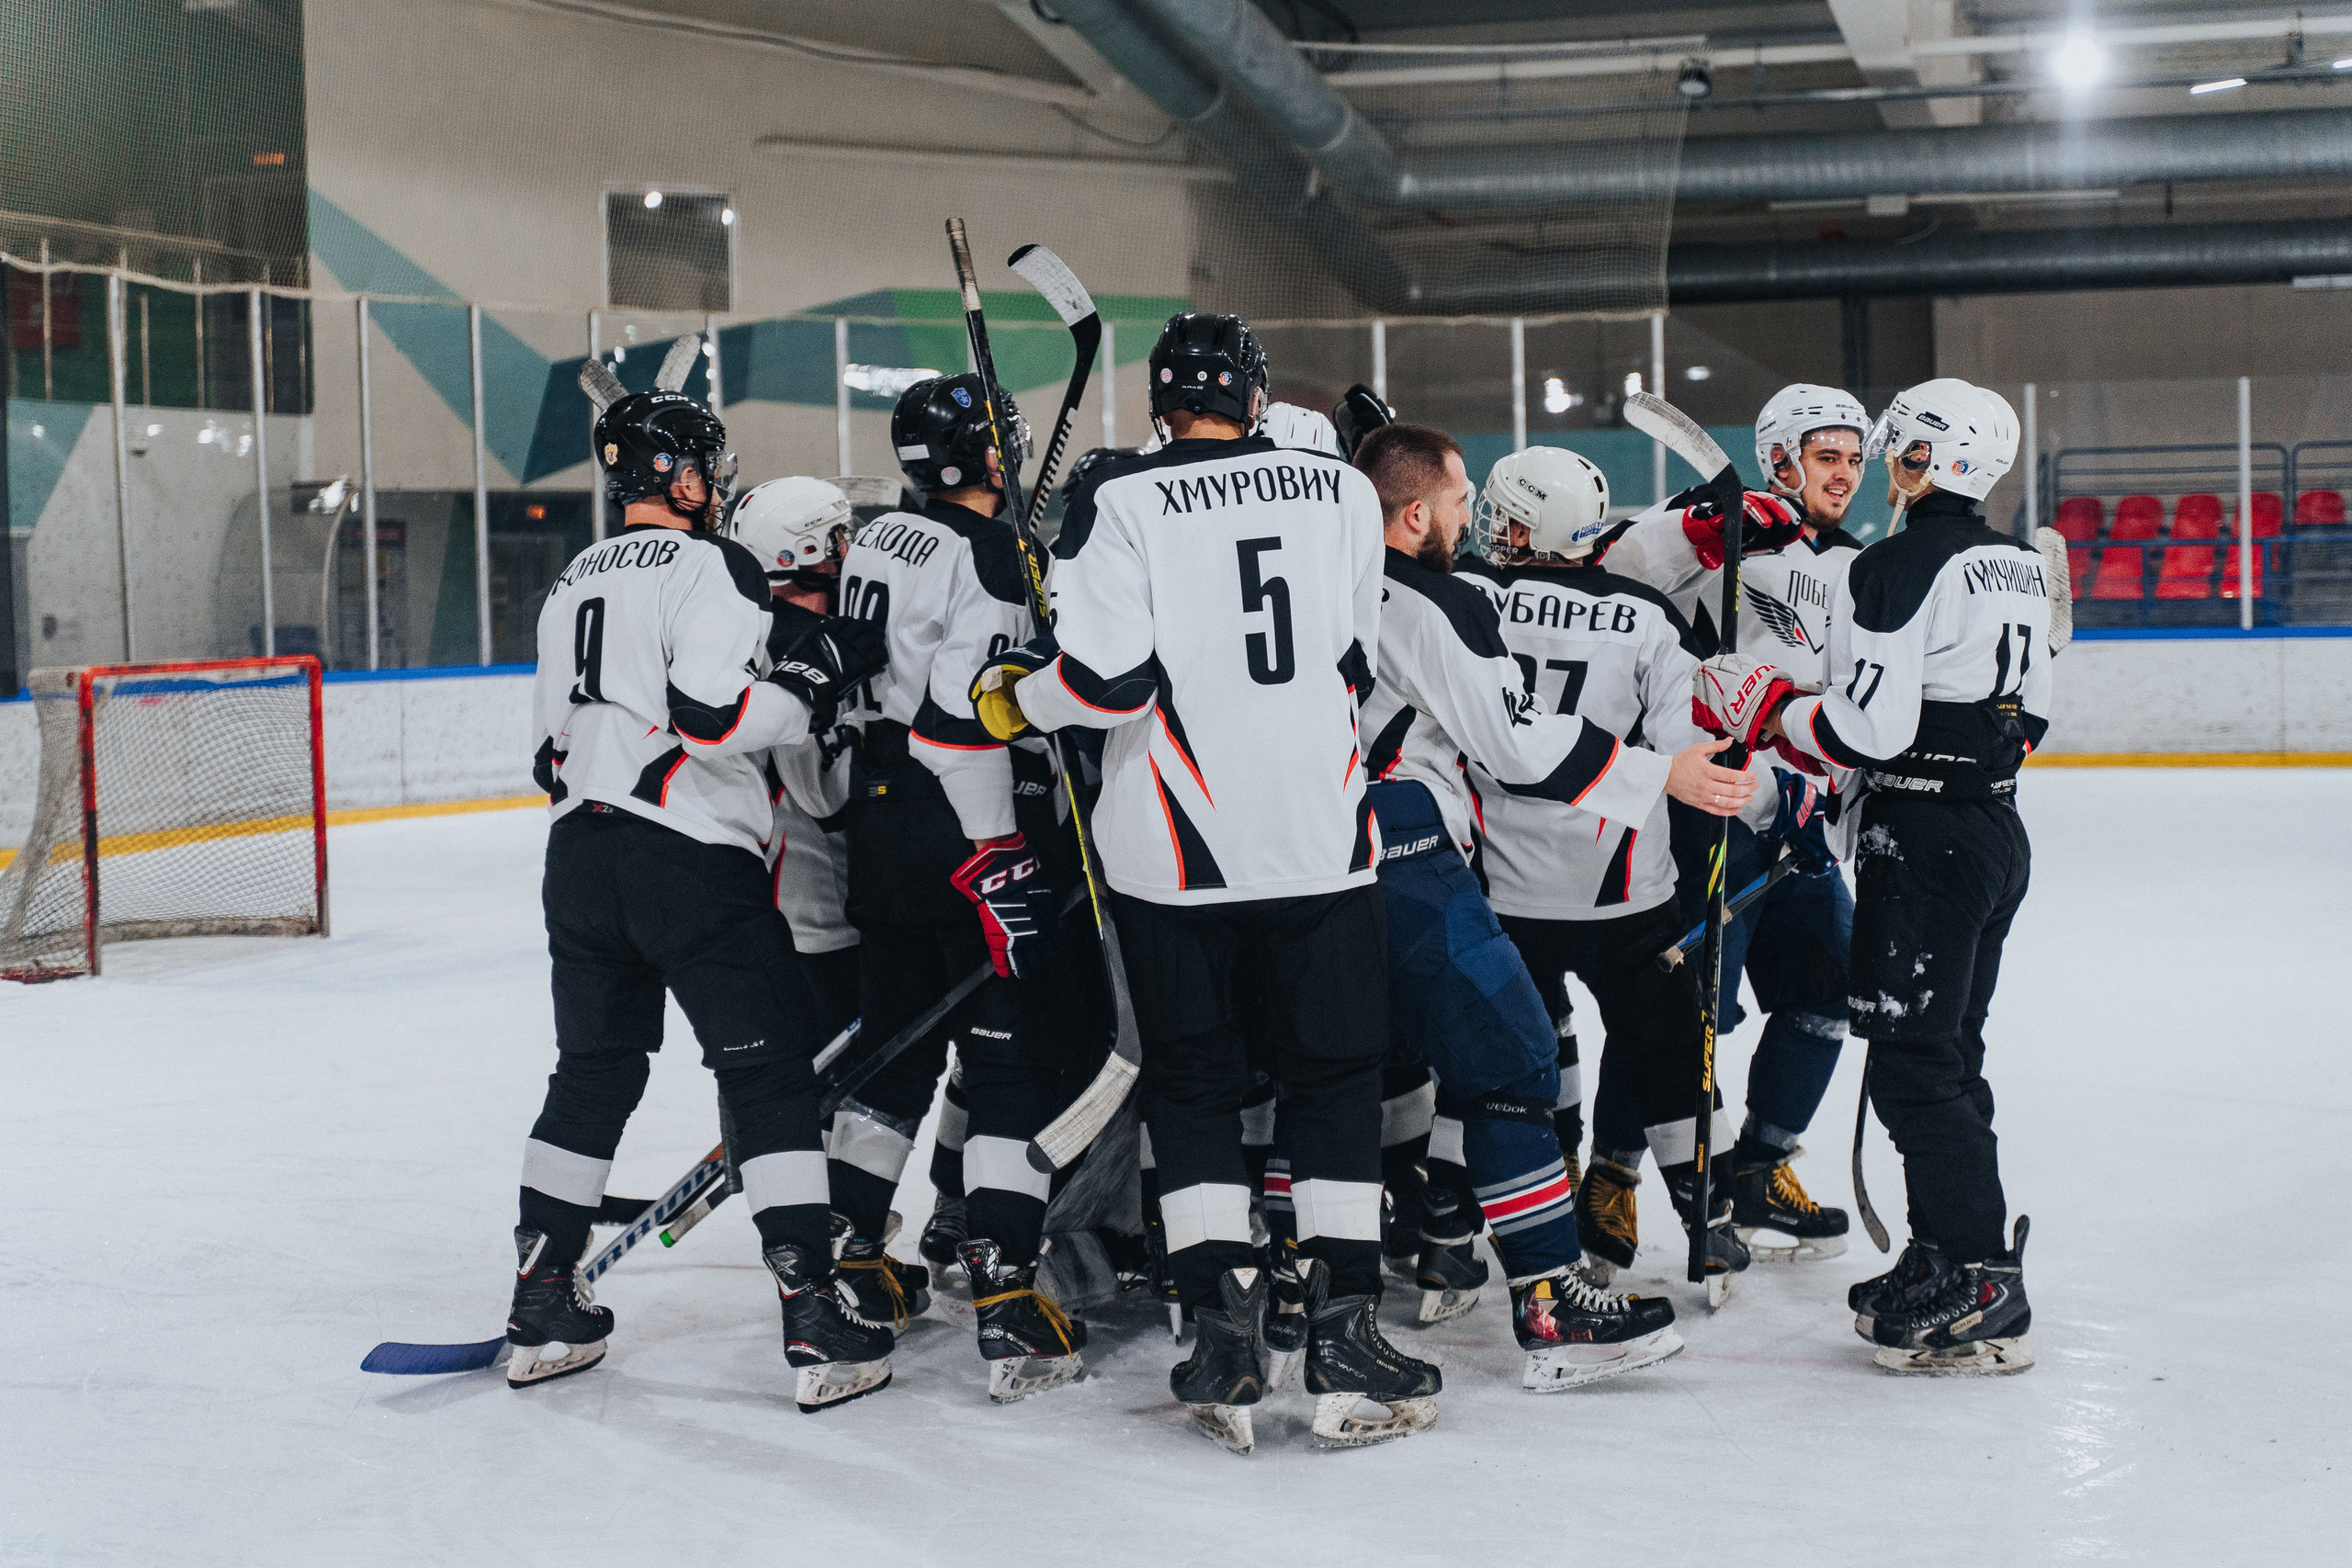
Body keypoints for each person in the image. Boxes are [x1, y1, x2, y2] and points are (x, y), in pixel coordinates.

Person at [968, 311, 1429, 1453]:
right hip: (1320, 837)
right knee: (1330, 1084)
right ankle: (1343, 1329)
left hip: (1173, 857)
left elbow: (1109, 684)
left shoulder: (1118, 499)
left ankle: (1220, 1334)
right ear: (1256, 395)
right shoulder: (1332, 492)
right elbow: (1353, 651)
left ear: (1162, 404)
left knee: (1193, 1089)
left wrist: (1016, 696)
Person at [1346, 422, 1755, 1391]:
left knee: (1359, 1072)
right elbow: (1566, 742)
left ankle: (1424, 1244)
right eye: (1454, 502)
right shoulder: (1625, 614)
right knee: (1577, 1050)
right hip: (1600, 877)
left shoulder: (1454, 586)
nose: (1469, 518)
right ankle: (1690, 1225)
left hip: (1444, 870)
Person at [514, 388, 892, 1411]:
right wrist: (812, 679)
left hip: (576, 861)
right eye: (707, 469)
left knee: (592, 1072)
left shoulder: (568, 580)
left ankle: (542, 1294)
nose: (715, 486)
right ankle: (814, 1315)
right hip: (688, 860)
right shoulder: (714, 563)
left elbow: (548, 755)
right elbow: (719, 717)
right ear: (680, 477)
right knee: (768, 1082)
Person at [1694, 377, 2048, 1375]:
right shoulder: (2016, 561)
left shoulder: (1889, 565)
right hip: (1991, 832)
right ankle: (1940, 1254)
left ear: (1923, 457)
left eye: (1891, 448)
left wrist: (1768, 709)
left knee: (1913, 1064)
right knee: (1947, 1051)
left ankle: (1981, 1277)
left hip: (1923, 844)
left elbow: (1866, 728)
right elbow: (2035, 724)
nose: (1879, 466)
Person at [831, 373, 1101, 1404]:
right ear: (992, 457)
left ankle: (855, 1260)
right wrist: (1003, 859)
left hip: (879, 824)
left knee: (892, 1059)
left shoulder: (882, 538)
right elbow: (966, 720)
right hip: (962, 825)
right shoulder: (989, 552)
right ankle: (1003, 1297)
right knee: (1007, 1066)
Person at [1455, 445, 1761, 1292]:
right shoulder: (1648, 616)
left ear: (1523, 525)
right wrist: (1724, 699)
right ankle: (1713, 1221)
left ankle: (1472, 1225)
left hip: (1503, 892)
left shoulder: (1475, 596)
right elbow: (1685, 747)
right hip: (1625, 893)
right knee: (1669, 1051)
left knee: (1511, 1048)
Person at [1587, 385, 1871, 1261]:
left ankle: (1759, 1166)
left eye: (1855, 459)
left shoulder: (1857, 562)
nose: (1847, 475)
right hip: (1716, 810)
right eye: (1828, 457)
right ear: (1781, 457)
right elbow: (1613, 570)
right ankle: (1613, 1174)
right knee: (1682, 1004)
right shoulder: (1718, 524)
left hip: (1804, 815)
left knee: (1827, 991)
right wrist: (1707, 527)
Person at [729, 475, 861, 1039]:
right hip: (815, 913)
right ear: (804, 551)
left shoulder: (743, 631)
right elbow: (824, 794)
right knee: (824, 1087)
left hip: (770, 903)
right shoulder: (803, 648)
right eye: (838, 538)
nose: (850, 550)